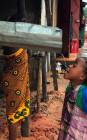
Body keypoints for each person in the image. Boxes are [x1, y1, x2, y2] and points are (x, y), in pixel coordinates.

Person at [0, 1, 30, 140]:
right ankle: (12, 138)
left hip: (11, 80)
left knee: (15, 109)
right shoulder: (16, 43)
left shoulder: (9, 44)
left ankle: (15, 135)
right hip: (14, 81)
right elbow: (22, 13)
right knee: (12, 113)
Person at [58, 57, 87, 140]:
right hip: (67, 133)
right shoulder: (70, 88)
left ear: (82, 76)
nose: (69, 67)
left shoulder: (85, 95)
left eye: (74, 66)